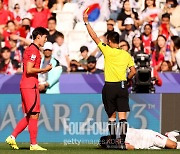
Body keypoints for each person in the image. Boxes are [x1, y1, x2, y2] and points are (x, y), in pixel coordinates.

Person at [83, 11, 136, 149]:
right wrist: (127, 80)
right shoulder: (126, 54)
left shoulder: (107, 50)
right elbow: (133, 71)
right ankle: (123, 142)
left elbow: (94, 36)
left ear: (109, 41)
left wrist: (86, 22)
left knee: (112, 116)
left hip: (110, 87)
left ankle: (113, 141)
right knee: (123, 116)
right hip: (122, 86)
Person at [5, 27, 52, 150]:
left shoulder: (33, 49)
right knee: (34, 114)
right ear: (38, 36)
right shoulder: (33, 50)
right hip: (30, 85)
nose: (45, 39)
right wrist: (44, 70)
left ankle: (13, 136)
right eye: (45, 37)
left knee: (32, 114)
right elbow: (29, 69)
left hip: (29, 84)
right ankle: (33, 144)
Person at [99, 128, 180, 150]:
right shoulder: (120, 145)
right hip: (147, 146)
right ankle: (169, 136)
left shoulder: (118, 131)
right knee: (172, 147)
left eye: (108, 139)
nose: (111, 141)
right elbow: (131, 147)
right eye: (109, 143)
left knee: (173, 145)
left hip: (149, 136)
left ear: (109, 136)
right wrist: (118, 146)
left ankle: (170, 135)